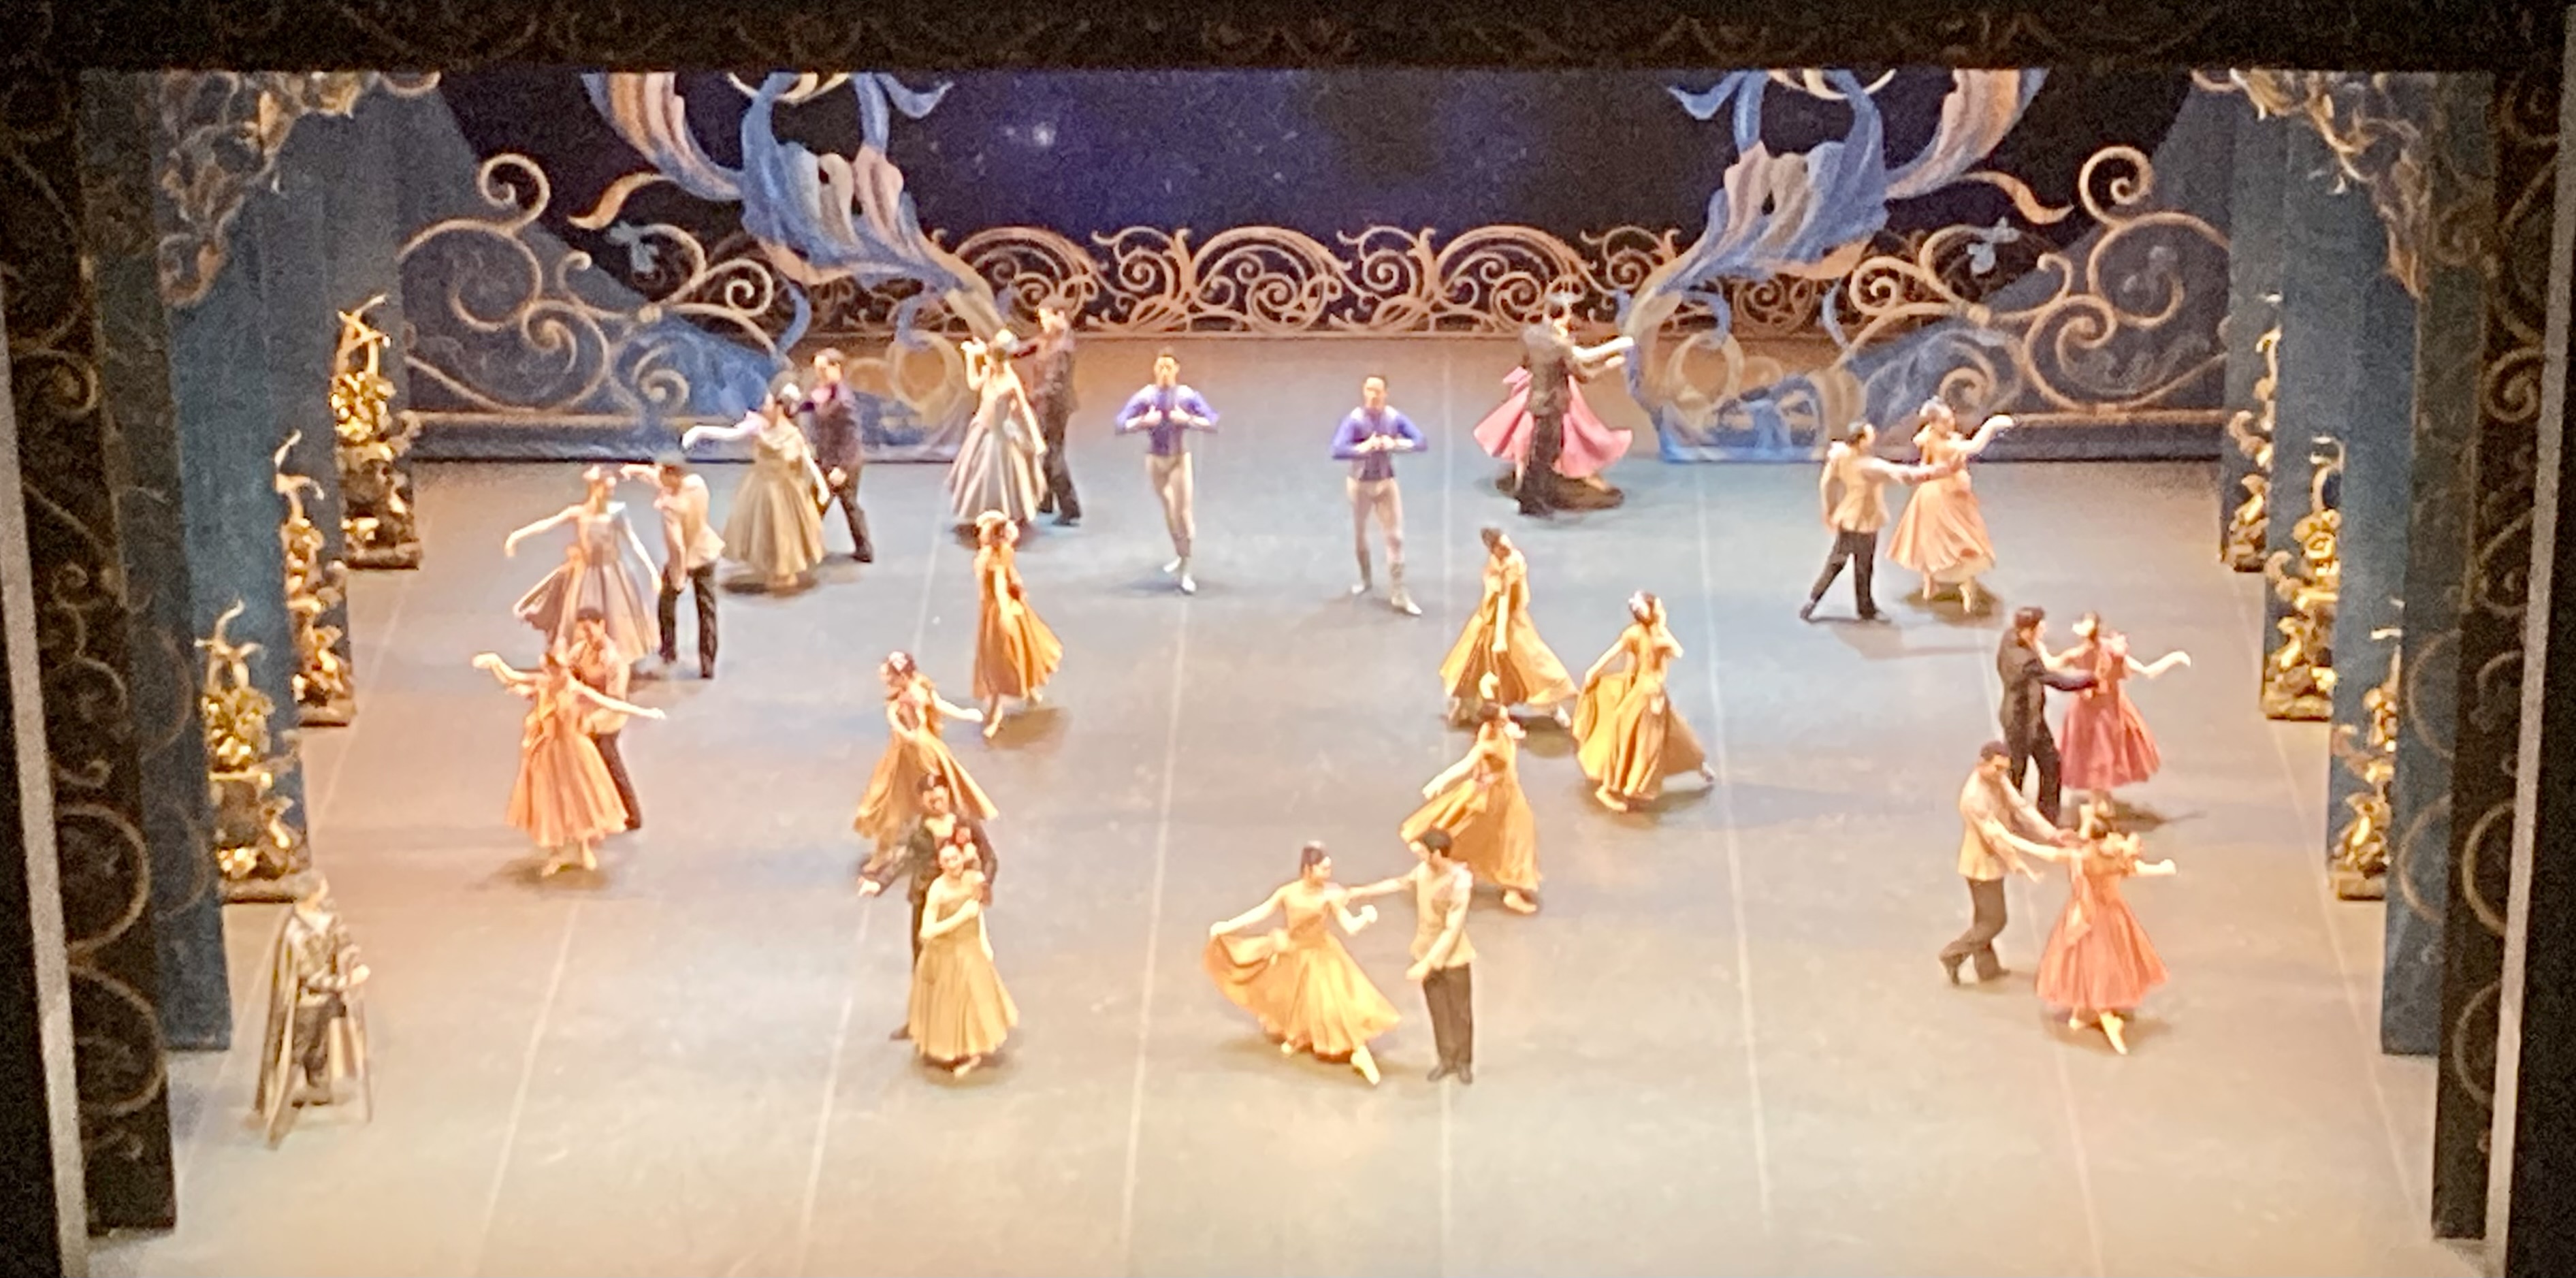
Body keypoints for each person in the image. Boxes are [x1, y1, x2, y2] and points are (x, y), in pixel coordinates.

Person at [1984, 802, 2178, 1055]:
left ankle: (2095, 1011)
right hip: (2112, 915)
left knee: (2090, 962)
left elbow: (2044, 853)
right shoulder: (2113, 855)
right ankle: (2093, 1010)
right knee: (2104, 961)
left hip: (2085, 915)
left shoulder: (2081, 857)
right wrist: (2162, 869)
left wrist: (2006, 836)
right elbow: (2137, 870)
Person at [1204, 843, 1399, 1086]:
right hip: (1294, 952)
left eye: (1329, 868)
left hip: (1322, 954)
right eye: (1323, 868)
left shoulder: (1331, 894)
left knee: (1334, 1003)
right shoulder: (1288, 893)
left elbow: (1349, 926)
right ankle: (1301, 1035)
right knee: (1298, 999)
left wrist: (1365, 919)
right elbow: (1261, 912)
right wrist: (1227, 926)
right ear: (1308, 869)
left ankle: (1359, 1051)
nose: (1328, 873)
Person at [470, 650, 665, 877]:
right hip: (549, 752)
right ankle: (559, 852)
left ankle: (582, 849)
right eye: (548, 670)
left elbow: (611, 704)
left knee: (579, 799)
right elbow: (512, 677)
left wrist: (645, 711)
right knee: (552, 801)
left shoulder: (576, 691)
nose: (550, 674)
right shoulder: (545, 684)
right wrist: (495, 662)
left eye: (554, 670)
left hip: (575, 752)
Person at [1347, 831, 1477, 1083]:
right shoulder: (1423, 871)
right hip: (1425, 948)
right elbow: (1400, 883)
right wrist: (1362, 892)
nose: (1420, 855)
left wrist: (1428, 963)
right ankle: (1446, 1058)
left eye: (1424, 851)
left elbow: (1453, 928)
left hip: (1453, 956)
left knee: (1460, 1011)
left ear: (1437, 854)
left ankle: (1464, 1061)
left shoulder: (1459, 882)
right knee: (1438, 1009)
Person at [1402, 680, 1541, 914]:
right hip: (1491, 798)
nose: (1507, 717)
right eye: (1503, 716)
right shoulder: (1487, 743)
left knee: (1515, 838)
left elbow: (1490, 695)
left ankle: (1511, 889)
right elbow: (1466, 765)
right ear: (1493, 721)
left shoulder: (1502, 728)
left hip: (1508, 794)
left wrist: (1489, 682)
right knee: (1473, 833)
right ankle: (1437, 866)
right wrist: (1440, 780)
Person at [504, 466, 660, 668]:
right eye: (607, 489)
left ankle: (611, 659)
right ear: (596, 488)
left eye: (612, 490)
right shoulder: (579, 513)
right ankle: (579, 656)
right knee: (577, 615)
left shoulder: (616, 513)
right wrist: (516, 536)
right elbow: (547, 524)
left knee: (613, 617)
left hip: (610, 573)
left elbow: (633, 541)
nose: (610, 494)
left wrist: (652, 571)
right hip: (585, 572)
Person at [1573, 591, 1715, 812]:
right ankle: (1611, 789)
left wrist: (1593, 671)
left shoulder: (1641, 635)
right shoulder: (1653, 638)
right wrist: (1662, 627)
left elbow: (1615, 654)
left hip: (1651, 693)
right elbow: (1676, 651)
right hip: (1646, 695)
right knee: (1643, 743)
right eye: (1659, 608)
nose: (1662, 611)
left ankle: (1697, 766)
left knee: (1672, 734)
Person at [254, 876, 370, 1147]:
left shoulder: (327, 914)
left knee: (321, 1044)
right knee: (297, 1051)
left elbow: (343, 940)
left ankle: (318, 1087)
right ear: (313, 893)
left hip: (327, 999)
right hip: (307, 1003)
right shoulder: (297, 934)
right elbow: (309, 976)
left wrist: (353, 962)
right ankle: (279, 1105)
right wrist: (346, 982)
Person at [681, 385, 826, 592]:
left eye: (768, 404)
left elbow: (807, 462)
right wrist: (700, 431)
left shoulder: (792, 435)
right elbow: (730, 434)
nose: (763, 408)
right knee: (764, 529)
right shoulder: (758, 426)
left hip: (785, 490)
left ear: (779, 408)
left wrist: (821, 486)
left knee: (784, 530)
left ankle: (785, 571)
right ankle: (772, 568)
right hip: (761, 486)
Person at [1799, 421, 1948, 622]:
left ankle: (1814, 599)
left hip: (1849, 516)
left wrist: (1830, 509)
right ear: (1861, 441)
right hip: (1864, 519)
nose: (1874, 438)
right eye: (1869, 436)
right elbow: (1903, 474)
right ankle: (1864, 608)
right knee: (1862, 566)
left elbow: (1827, 483)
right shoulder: (1867, 466)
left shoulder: (1841, 458)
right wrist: (1936, 471)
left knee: (1837, 562)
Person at [1939, 741, 2061, 985]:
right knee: (1994, 920)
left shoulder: (1998, 779)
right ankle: (1953, 954)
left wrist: (2051, 834)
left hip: (1991, 859)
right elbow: (1995, 837)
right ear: (1981, 764)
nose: (2002, 774)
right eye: (1997, 768)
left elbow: (2020, 807)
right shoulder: (1974, 798)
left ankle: (1987, 968)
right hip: (1981, 862)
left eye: (2004, 769)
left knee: (1984, 917)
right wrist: (2017, 862)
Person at [853, 652, 995, 852]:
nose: (885, 680)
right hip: (903, 749)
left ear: (902, 676)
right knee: (892, 796)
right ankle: (894, 843)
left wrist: (964, 714)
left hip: (920, 749)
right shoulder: (904, 692)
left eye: (889, 676)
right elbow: (901, 722)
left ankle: (950, 836)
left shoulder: (916, 693)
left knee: (927, 792)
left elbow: (929, 711)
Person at [1438, 526, 1577, 727]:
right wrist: (1496, 634)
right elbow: (1497, 598)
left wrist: (1501, 637)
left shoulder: (1513, 562)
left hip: (1511, 621)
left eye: (1507, 544)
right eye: (1502, 547)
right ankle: (1464, 704)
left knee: (1531, 661)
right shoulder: (1495, 564)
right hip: (1488, 619)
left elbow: (1506, 600)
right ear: (1494, 550)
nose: (1508, 548)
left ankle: (1552, 707)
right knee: (1473, 662)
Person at [906, 831, 1018, 1076]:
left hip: (969, 949)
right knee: (947, 1004)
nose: (952, 864)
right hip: (944, 953)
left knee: (972, 1000)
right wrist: (959, 918)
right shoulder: (937, 890)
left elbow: (977, 915)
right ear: (940, 863)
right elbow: (927, 931)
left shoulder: (974, 880)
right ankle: (950, 1047)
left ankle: (973, 1051)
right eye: (946, 861)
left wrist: (984, 942)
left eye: (955, 859)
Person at [2057, 612, 2191, 812]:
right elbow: (2147, 671)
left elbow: (2052, 665)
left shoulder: (2083, 654)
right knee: (2101, 752)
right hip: (2105, 710)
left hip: (2096, 712)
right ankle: (2101, 801)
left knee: (2096, 753)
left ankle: (2097, 805)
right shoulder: (2110, 652)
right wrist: (2174, 658)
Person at [1512, 297, 1632, 517]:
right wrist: (1608, 365)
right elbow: (1584, 375)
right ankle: (1531, 498)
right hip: (1553, 404)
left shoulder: (1531, 334)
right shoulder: (1561, 345)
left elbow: (1526, 362)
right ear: (1565, 317)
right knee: (1544, 453)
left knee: (1542, 451)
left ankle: (1533, 493)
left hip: (1537, 398)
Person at [1888, 399, 2011, 612]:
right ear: (1934, 423)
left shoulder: (1933, 436)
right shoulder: (1944, 444)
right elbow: (1974, 447)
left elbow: (1927, 461)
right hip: (1942, 497)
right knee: (1957, 541)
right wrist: (1991, 425)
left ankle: (1937, 585)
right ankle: (1951, 585)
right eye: (1945, 421)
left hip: (1947, 494)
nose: (1951, 423)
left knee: (1944, 540)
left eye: (1950, 418)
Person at [1114, 348, 1220, 594]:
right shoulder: (1146, 396)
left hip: (1179, 459)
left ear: (1176, 370)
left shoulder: (1186, 395)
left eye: (1169, 367)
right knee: (1170, 512)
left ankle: (1187, 564)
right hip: (1156, 460)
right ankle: (1180, 554)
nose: (1164, 371)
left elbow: (1212, 421)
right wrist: (1142, 422)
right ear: (1154, 369)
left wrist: (1188, 420)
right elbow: (1120, 423)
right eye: (1160, 366)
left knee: (1182, 512)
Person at [1329, 374, 1426, 616]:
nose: (1373, 395)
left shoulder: (1393, 417)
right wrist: (1362, 448)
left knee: (1395, 537)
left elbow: (1420, 441)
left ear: (1385, 393)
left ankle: (1399, 592)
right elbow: (1337, 449)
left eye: (1377, 391)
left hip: (1385, 483)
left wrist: (1396, 444)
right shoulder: (1355, 420)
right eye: (1369, 390)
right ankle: (1366, 578)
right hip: (1359, 484)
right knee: (1360, 532)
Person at [619, 454, 721, 679]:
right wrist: (635, 470)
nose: (659, 476)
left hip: (688, 557)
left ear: (671, 475)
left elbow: (677, 545)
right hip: (707, 551)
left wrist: (679, 575)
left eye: (663, 473)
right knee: (708, 609)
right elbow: (656, 478)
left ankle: (668, 649)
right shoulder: (695, 484)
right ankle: (708, 664)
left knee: (667, 601)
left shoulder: (672, 506)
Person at [1997, 606, 2099, 824]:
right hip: (2021, 722)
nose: (2043, 629)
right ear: (2028, 631)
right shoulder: (2024, 660)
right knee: (2017, 771)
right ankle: (2010, 819)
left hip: (2032, 717)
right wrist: (2091, 679)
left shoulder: (2010, 638)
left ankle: (2047, 817)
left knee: (2051, 764)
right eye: (2039, 627)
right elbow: (2059, 682)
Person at [971, 512, 1063, 739]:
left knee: (1012, 653)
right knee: (1006, 656)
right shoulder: (992, 558)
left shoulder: (1001, 553)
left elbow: (1006, 578)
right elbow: (998, 586)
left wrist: (1014, 590)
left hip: (1004, 610)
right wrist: (1004, 609)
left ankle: (1018, 697)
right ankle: (1007, 704)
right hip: (1000, 611)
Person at [948, 332, 1048, 534]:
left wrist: (1035, 437)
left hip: (1000, 434)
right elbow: (974, 384)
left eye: (991, 359)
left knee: (1001, 474)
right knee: (977, 472)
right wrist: (970, 358)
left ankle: (1005, 512)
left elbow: (1024, 408)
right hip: (984, 429)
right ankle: (980, 511)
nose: (988, 361)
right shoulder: (989, 374)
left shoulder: (1010, 382)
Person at [564, 609, 641, 831]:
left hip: (609, 714)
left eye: (590, 630)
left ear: (602, 626)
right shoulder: (581, 650)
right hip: (587, 710)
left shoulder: (614, 660)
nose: (587, 636)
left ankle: (632, 813)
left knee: (609, 758)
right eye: (582, 631)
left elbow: (615, 699)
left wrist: (592, 720)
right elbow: (567, 671)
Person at [798, 348, 875, 562]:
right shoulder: (824, 391)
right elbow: (810, 405)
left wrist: (842, 468)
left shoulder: (843, 400)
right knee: (823, 504)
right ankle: (809, 545)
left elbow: (852, 437)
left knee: (838, 504)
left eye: (823, 369)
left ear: (836, 368)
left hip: (842, 463)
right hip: (827, 459)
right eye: (816, 369)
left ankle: (862, 549)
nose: (819, 374)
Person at [1025, 306, 1082, 526]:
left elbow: (1054, 382)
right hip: (1046, 405)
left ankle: (1069, 506)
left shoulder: (1062, 347)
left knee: (1054, 453)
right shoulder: (1049, 338)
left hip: (1056, 406)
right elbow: (1026, 347)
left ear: (1060, 315)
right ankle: (1045, 500)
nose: (1043, 323)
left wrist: (1032, 396)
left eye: (1046, 318)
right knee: (1048, 451)